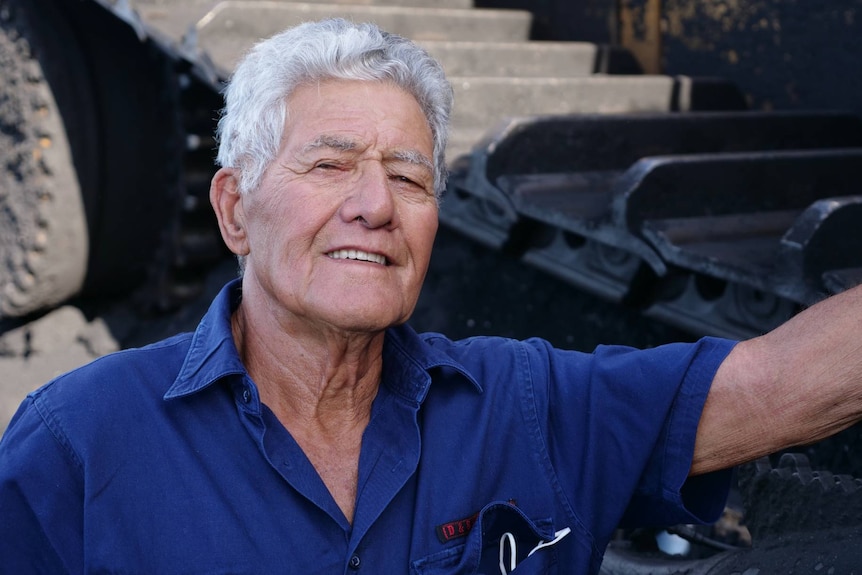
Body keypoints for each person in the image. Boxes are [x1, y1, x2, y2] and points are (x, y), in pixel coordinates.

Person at [1, 17, 860, 575]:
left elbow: (777, 385)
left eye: (409, 177)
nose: (375, 205)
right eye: (331, 164)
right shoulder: (80, 442)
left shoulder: (527, 406)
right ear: (234, 209)